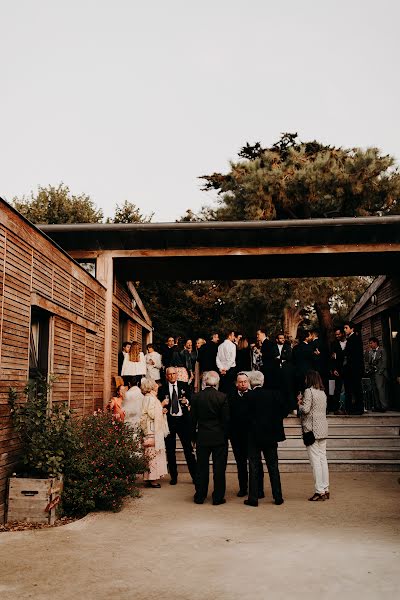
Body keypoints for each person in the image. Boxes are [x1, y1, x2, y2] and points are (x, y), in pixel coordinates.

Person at [244, 371, 285, 507]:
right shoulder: (273, 395)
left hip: (254, 436)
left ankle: (253, 498)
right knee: (273, 467)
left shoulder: (248, 396)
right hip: (270, 436)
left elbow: (245, 417)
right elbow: (281, 412)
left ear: (250, 382)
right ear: (262, 381)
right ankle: (278, 496)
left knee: (254, 467)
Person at [190, 371, 229, 505]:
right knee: (219, 469)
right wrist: (225, 436)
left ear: (205, 382)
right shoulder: (222, 397)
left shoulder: (196, 397)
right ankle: (218, 497)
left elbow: (192, 420)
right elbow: (226, 420)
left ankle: (200, 496)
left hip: (202, 436)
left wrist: (193, 438)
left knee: (201, 468)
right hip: (219, 437)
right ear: (217, 382)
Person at [157, 367, 197, 484]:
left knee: (188, 449)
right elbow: (159, 405)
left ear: (177, 374)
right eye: (169, 374)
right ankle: (173, 477)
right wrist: (162, 409)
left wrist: (187, 402)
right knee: (170, 450)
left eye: (174, 374)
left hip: (183, 421)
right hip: (169, 421)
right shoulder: (162, 389)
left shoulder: (184, 386)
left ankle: (195, 476)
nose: (172, 376)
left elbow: (192, 399)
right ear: (166, 376)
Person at [228, 372, 264, 497]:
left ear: (248, 383)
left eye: (245, 381)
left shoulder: (254, 396)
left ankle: (259, 489)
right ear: (236, 383)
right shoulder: (231, 397)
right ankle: (243, 488)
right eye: (240, 382)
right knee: (241, 464)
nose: (243, 384)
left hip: (252, 437)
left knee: (256, 463)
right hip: (237, 437)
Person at [298, 370, 329, 501]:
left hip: (311, 429)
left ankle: (319, 491)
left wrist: (299, 403)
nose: (305, 380)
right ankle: (326, 488)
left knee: (315, 461)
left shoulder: (309, 391)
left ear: (309, 379)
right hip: (322, 428)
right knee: (323, 459)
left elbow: (305, 409)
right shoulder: (322, 392)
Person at [140, 377, 169, 488]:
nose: (157, 386)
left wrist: (161, 411)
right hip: (151, 430)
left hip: (150, 428)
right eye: (156, 384)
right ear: (151, 386)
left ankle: (149, 477)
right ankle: (152, 479)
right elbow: (152, 414)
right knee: (153, 454)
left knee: (150, 453)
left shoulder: (149, 397)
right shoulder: (150, 399)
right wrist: (161, 406)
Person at [343, 321, 364, 415]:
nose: (344, 329)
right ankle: (352, 408)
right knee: (352, 388)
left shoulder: (354, 338)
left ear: (352, 329)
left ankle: (357, 409)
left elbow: (352, 354)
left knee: (356, 388)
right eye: (344, 328)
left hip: (354, 368)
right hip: (351, 368)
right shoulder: (351, 338)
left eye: (346, 328)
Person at [364, 337, 389, 412]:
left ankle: (384, 406)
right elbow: (368, 361)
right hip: (372, 373)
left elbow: (384, 362)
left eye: (371, 343)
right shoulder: (370, 352)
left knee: (380, 389)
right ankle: (378, 406)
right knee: (374, 390)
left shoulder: (382, 350)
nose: (370, 344)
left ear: (375, 342)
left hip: (379, 373)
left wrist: (380, 371)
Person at [330, 327, 347, 413]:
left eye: (338, 334)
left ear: (343, 333)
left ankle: (346, 407)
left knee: (348, 388)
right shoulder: (334, 344)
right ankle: (336, 407)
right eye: (336, 334)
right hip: (338, 370)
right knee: (337, 389)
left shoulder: (349, 342)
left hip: (348, 369)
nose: (337, 336)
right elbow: (332, 358)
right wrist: (334, 369)